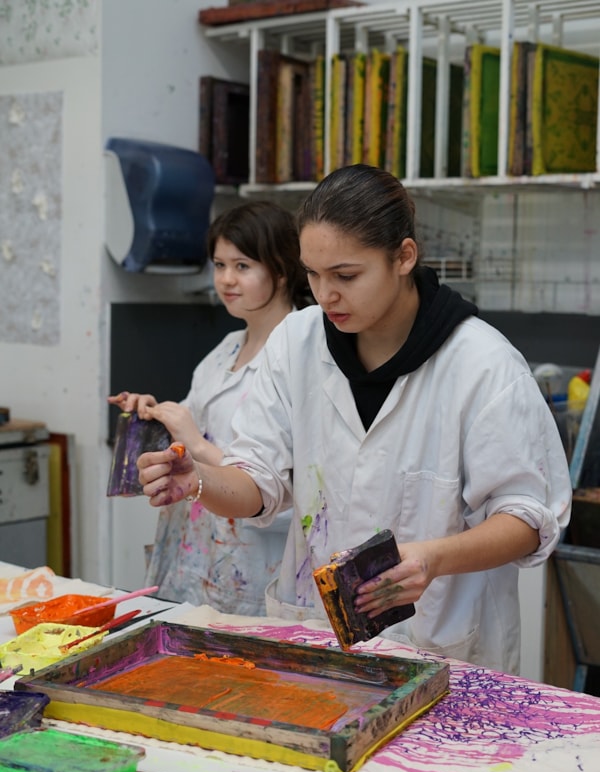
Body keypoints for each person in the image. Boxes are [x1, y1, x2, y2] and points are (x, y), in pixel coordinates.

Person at [136, 164, 572, 673]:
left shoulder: (483, 364)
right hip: (316, 634)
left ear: (403, 257)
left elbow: (527, 518)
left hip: (441, 647)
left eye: (346, 276)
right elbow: (258, 480)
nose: (326, 295)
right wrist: (199, 480)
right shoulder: (296, 343)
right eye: (313, 274)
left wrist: (432, 558)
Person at [109, 200, 309, 613]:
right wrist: (153, 415)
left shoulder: (304, 355)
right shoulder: (226, 349)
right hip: (198, 552)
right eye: (219, 265)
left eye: (242, 266)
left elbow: (290, 493)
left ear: (281, 269)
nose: (226, 279)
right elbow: (189, 425)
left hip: (257, 565)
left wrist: (198, 444)